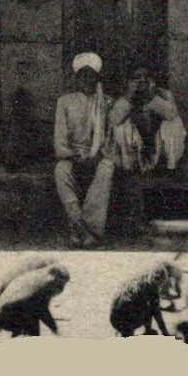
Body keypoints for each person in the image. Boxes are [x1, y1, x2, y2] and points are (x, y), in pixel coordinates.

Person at [53, 52, 116, 249]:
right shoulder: (64, 102)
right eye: (82, 75)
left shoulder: (107, 102)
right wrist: (73, 155)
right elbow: (60, 139)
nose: (87, 80)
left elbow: (112, 138)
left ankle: (88, 229)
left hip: (99, 155)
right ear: (76, 78)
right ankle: (80, 227)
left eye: (91, 75)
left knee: (107, 169)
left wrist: (98, 155)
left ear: (98, 78)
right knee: (61, 171)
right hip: (73, 155)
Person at [111, 67, 187, 173]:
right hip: (135, 146)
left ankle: (167, 166)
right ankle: (130, 167)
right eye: (137, 78)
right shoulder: (127, 95)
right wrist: (129, 96)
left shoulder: (163, 93)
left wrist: (151, 97)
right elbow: (114, 119)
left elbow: (172, 114)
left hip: (157, 146)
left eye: (145, 77)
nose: (141, 81)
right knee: (121, 127)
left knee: (173, 124)